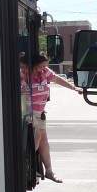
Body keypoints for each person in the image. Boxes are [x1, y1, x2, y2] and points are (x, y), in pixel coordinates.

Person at [22, 52, 79, 182]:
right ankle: (28, 166)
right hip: (28, 111)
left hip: (40, 112)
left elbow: (57, 79)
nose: (44, 69)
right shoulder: (24, 73)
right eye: (41, 66)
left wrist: (73, 87)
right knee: (37, 136)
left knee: (43, 140)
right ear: (34, 65)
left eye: (45, 66)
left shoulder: (44, 72)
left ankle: (49, 171)